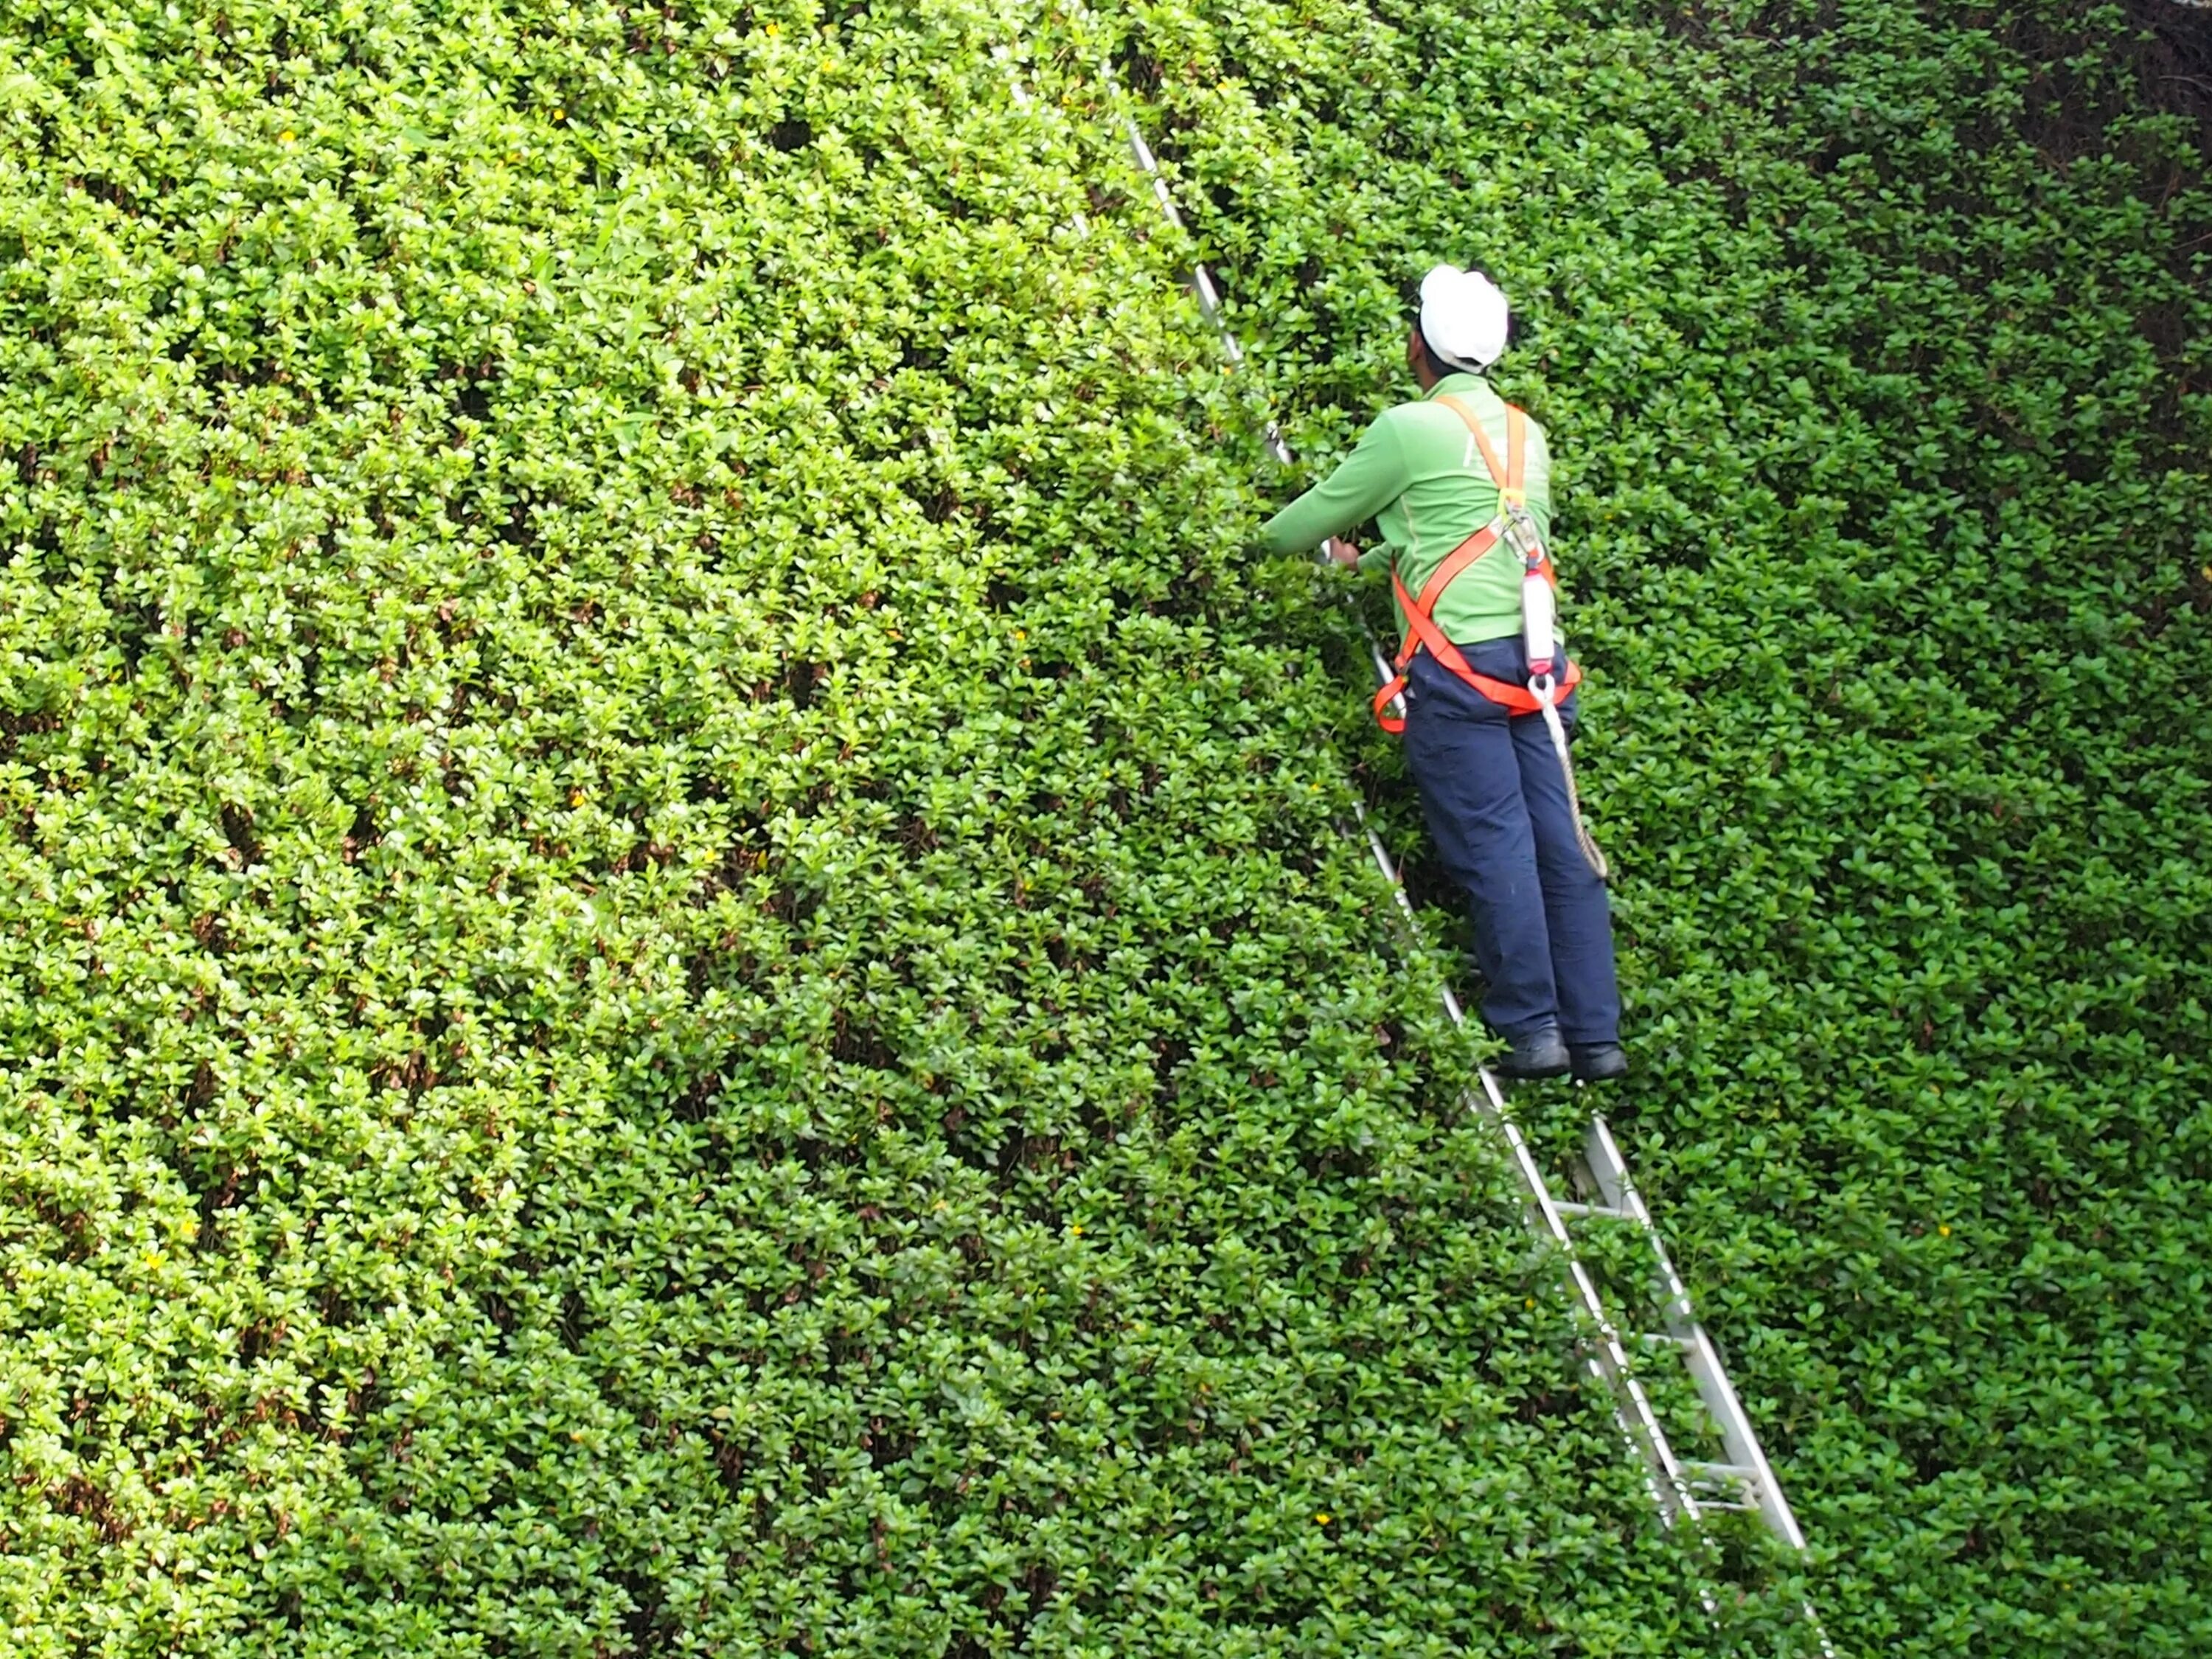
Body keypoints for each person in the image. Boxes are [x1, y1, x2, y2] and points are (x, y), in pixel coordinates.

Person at [1260, 266, 1626, 1082]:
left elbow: (1309, 521)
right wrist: (1380, 561)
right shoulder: (1527, 435)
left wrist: (1247, 548)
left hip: (1459, 680)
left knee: (1496, 844)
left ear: (1417, 343)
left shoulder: (1408, 429)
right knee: (1561, 844)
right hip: (1534, 666)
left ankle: (1530, 1029)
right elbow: (1480, 535)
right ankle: (1596, 1037)